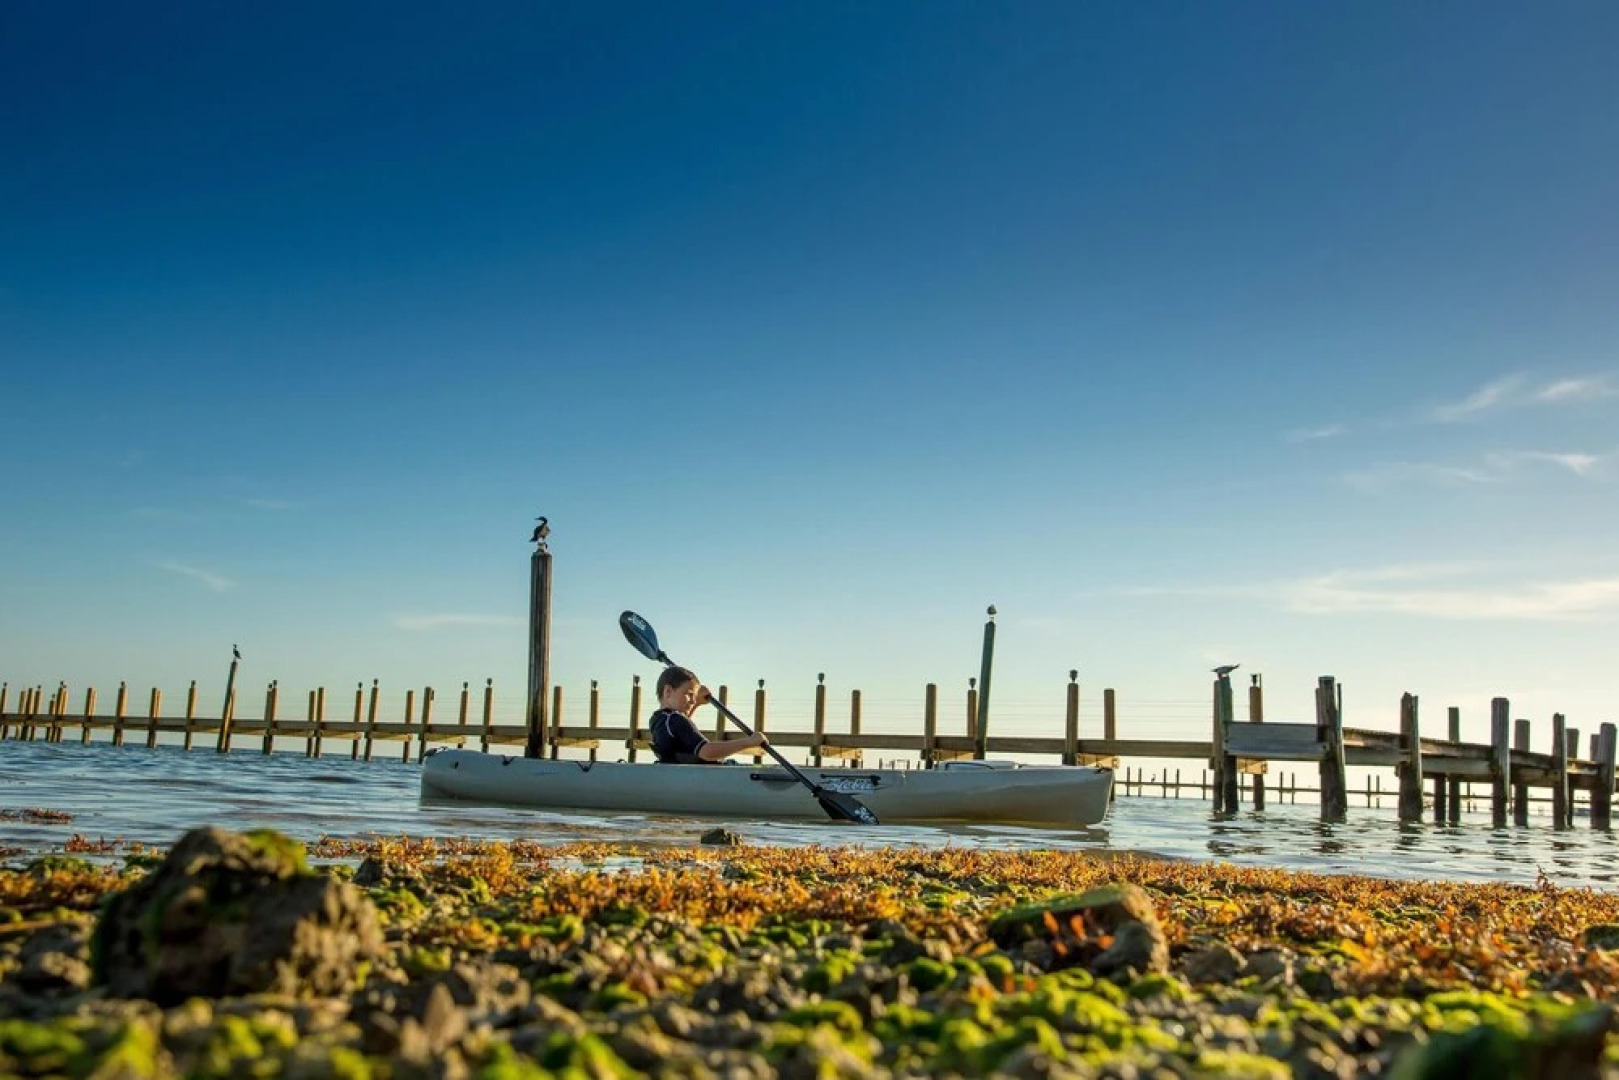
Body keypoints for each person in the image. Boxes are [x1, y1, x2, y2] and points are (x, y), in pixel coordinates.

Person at [649, 666, 767, 764]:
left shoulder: (658, 720)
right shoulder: (676, 719)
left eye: (694, 697)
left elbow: (681, 733)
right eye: (689, 694)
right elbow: (707, 752)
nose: (692, 700)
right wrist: (749, 742)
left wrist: (697, 704)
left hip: (681, 773)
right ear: (668, 691)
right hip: (708, 774)